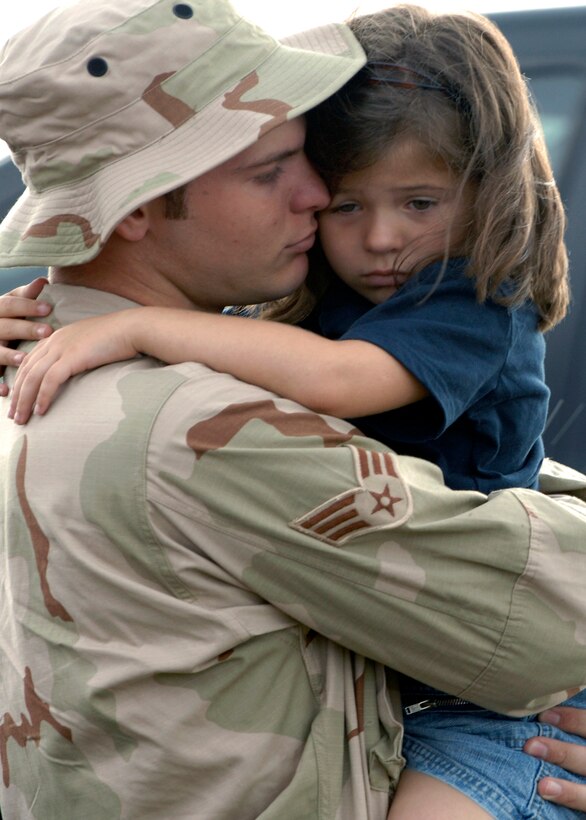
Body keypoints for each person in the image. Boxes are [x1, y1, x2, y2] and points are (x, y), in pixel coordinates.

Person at [1, 1, 586, 818]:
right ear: (137, 204)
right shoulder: (202, 425)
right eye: (269, 169)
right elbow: (550, 632)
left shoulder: (39, 365)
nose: (317, 193)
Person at [2, 7, 568, 501]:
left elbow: (334, 379)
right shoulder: (183, 414)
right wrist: (43, 330)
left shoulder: (473, 301)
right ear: (132, 208)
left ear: (486, 197)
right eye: (346, 205)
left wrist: (132, 327)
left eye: (419, 202)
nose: (378, 237)